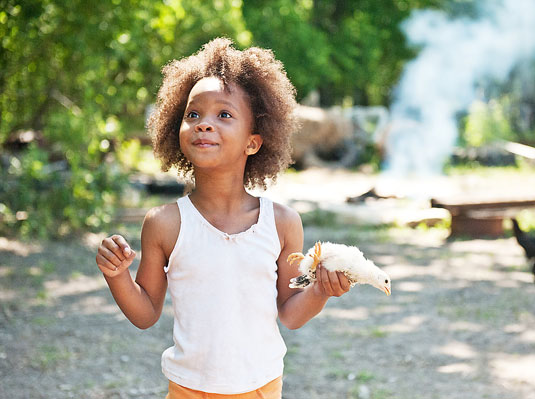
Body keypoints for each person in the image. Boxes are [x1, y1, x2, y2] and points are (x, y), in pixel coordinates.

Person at [95, 38, 351, 399]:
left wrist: (321, 290)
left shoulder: (282, 223)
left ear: (253, 142)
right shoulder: (164, 223)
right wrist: (117, 275)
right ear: (177, 128)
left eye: (224, 114)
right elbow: (146, 313)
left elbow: (291, 314)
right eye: (193, 114)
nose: (204, 124)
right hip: (188, 390)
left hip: (262, 388)